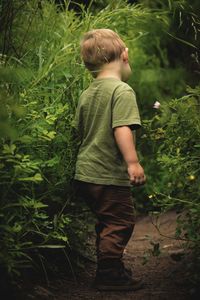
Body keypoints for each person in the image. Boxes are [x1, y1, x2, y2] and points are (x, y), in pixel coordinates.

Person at [73, 29, 146, 291]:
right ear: (124, 56)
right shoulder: (122, 90)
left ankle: (110, 266)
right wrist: (133, 162)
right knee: (120, 222)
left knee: (107, 221)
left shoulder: (87, 94)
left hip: (85, 172)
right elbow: (122, 128)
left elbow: (80, 132)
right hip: (107, 173)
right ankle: (108, 274)